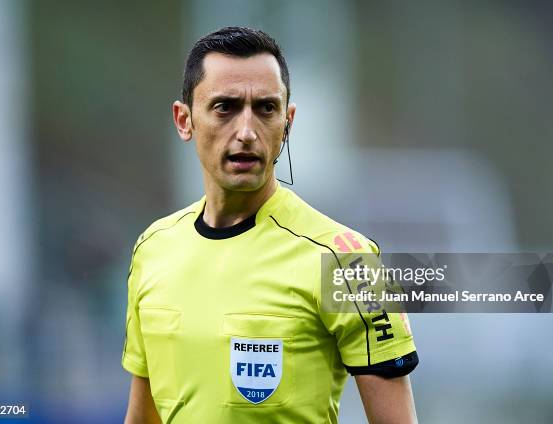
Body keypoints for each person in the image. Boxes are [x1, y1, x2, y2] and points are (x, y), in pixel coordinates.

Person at [122, 26, 418, 424]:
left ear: (287, 123)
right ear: (184, 120)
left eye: (265, 108)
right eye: (225, 107)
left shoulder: (349, 261)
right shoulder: (152, 249)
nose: (246, 132)